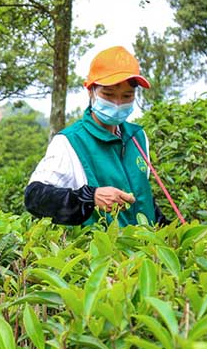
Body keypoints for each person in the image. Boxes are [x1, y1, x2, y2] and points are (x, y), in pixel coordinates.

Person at [24, 46, 168, 227]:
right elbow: (34, 197)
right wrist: (90, 197)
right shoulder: (70, 142)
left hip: (145, 243)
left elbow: (142, 198)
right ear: (90, 91)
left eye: (127, 96)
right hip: (102, 244)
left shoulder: (138, 137)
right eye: (108, 95)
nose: (117, 103)